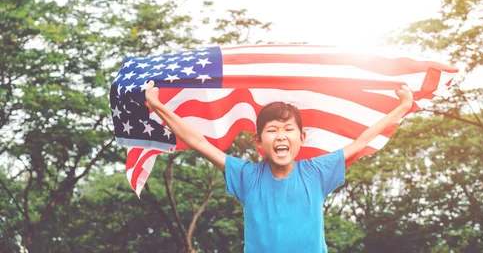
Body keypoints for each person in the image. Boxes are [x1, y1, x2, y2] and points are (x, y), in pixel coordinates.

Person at [145, 80, 413, 252]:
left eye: (288, 129)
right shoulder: (247, 176)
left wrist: (403, 107)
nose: (281, 136)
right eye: (272, 130)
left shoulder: (316, 173)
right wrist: (157, 105)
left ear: (301, 138)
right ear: (259, 141)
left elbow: (363, 140)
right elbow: (197, 141)